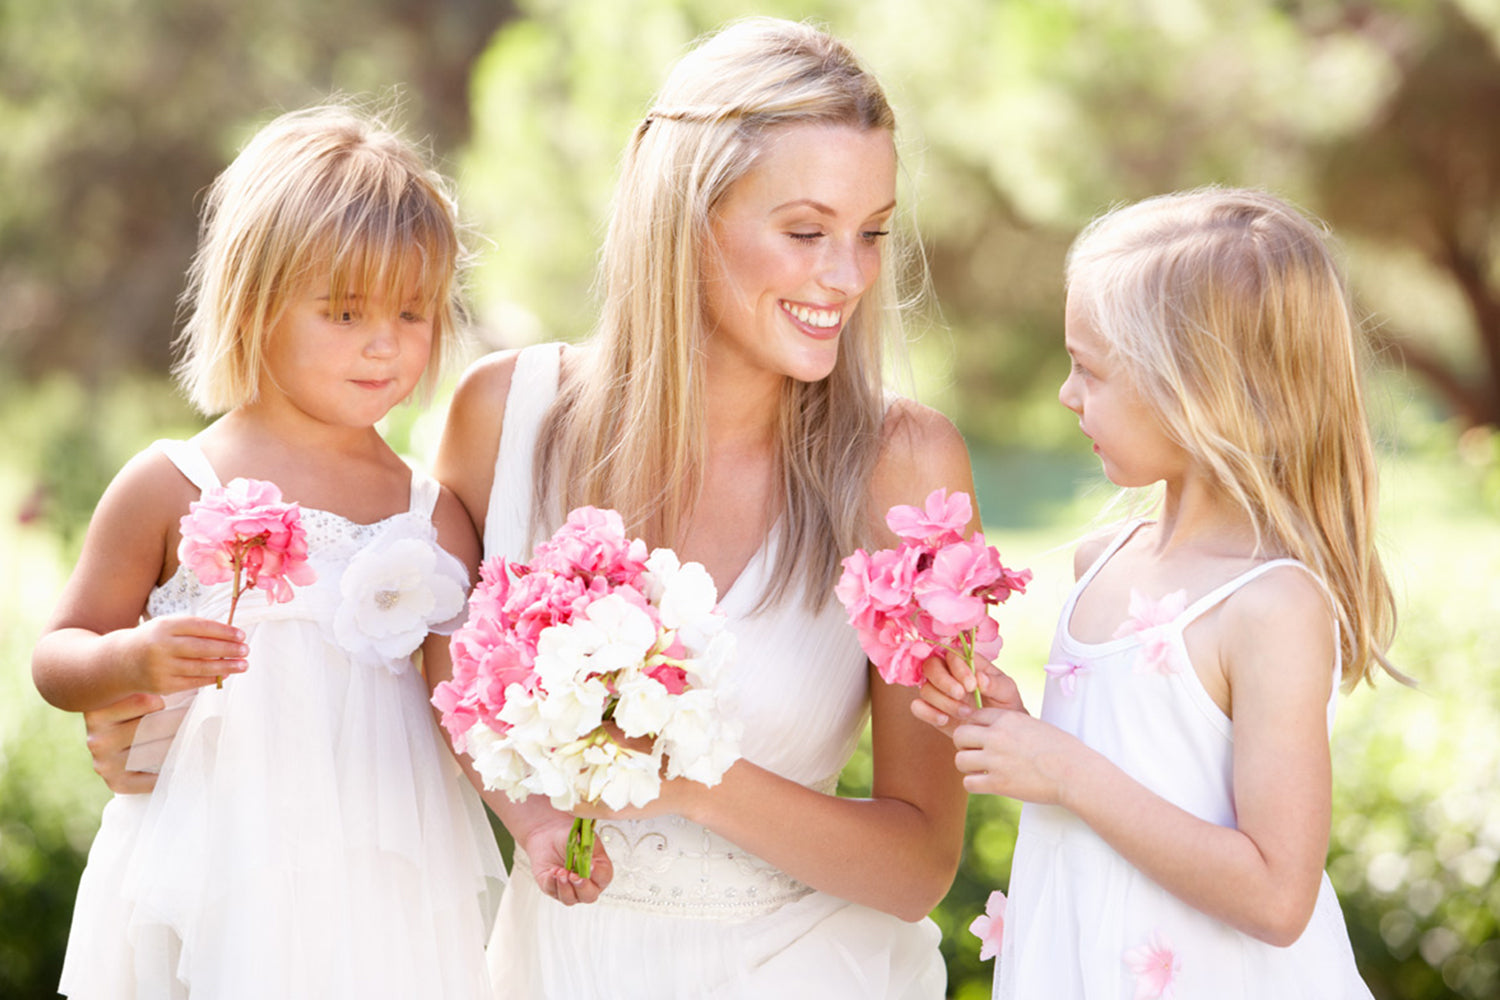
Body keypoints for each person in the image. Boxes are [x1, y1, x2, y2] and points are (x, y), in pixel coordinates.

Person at [431, 16, 971, 1000]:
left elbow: (919, 865)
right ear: (685, 214)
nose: (847, 276)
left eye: (872, 232)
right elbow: (420, 660)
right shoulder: (501, 417)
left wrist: (693, 778)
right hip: (548, 969)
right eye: (806, 231)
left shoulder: (901, 464)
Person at [32, 103, 530, 999]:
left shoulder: (433, 515)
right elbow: (57, 655)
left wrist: (536, 827)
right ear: (258, 303)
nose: (386, 344)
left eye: (412, 313)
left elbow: (462, 712)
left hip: (384, 881)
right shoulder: (172, 483)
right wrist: (133, 657)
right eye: (344, 312)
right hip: (220, 868)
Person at [915, 188, 1398, 998]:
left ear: (1197, 387)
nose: (1068, 395)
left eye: (1091, 370)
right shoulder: (1104, 563)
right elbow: (1125, 768)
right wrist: (1014, 731)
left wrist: (1065, 770)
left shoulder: (1270, 605)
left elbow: (1280, 896)